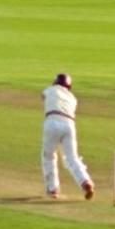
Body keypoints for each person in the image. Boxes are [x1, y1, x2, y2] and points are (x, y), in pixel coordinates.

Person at [40, 73, 95, 201]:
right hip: (69, 125)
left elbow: (42, 96)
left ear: (56, 82)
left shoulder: (51, 89)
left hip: (52, 121)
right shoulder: (73, 98)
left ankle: (53, 189)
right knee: (72, 158)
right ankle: (85, 181)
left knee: (49, 156)